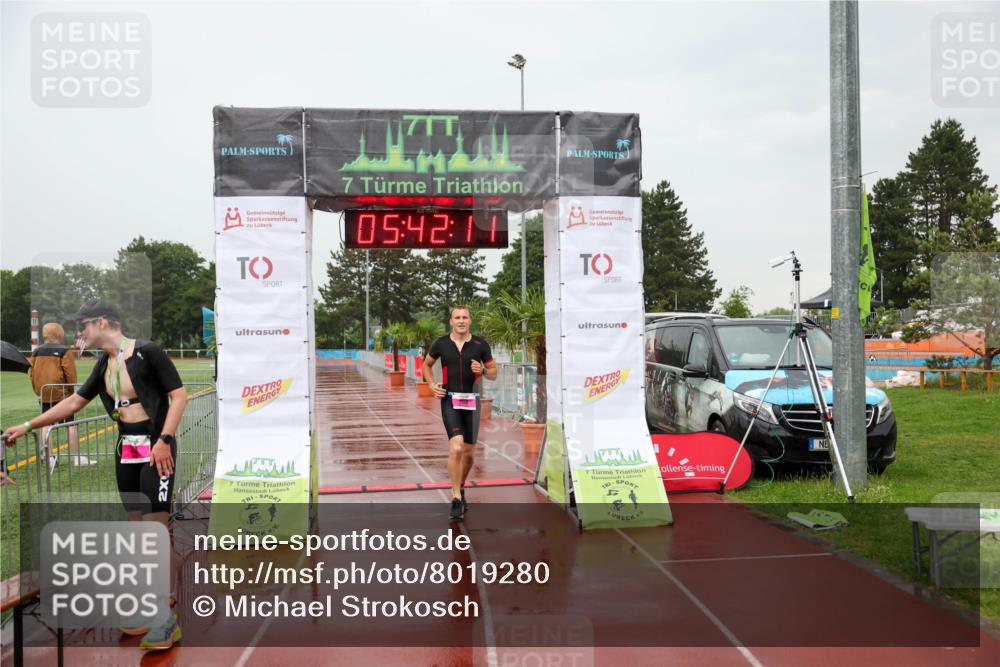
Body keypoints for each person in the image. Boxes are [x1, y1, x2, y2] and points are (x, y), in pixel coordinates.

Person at [2, 299, 188, 651]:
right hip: (127, 450)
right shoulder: (104, 361)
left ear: (102, 322)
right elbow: (74, 403)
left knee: (155, 531)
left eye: (83, 325)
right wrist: (27, 426)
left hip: (157, 449)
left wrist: (165, 440)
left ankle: (166, 620)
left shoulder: (148, 352)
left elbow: (179, 397)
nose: (79, 333)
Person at [422, 305, 497, 521]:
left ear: (470, 321)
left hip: (472, 400)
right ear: (451, 321)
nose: (461, 321)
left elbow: (493, 373)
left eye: (465, 317)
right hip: (450, 399)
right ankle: (456, 497)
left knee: (469, 453)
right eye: (457, 317)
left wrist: (482, 370)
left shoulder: (480, 344)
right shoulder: (441, 343)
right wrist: (431, 384)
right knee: (456, 447)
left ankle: (461, 485)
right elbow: (427, 365)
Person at [29, 322, 93, 470]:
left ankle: (49, 457)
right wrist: (71, 393)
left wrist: (38, 391)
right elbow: (71, 375)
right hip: (62, 394)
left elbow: (32, 373)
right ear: (60, 333)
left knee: (47, 424)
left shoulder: (36, 351)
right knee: (71, 425)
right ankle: (77, 457)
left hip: (44, 393)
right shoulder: (64, 351)